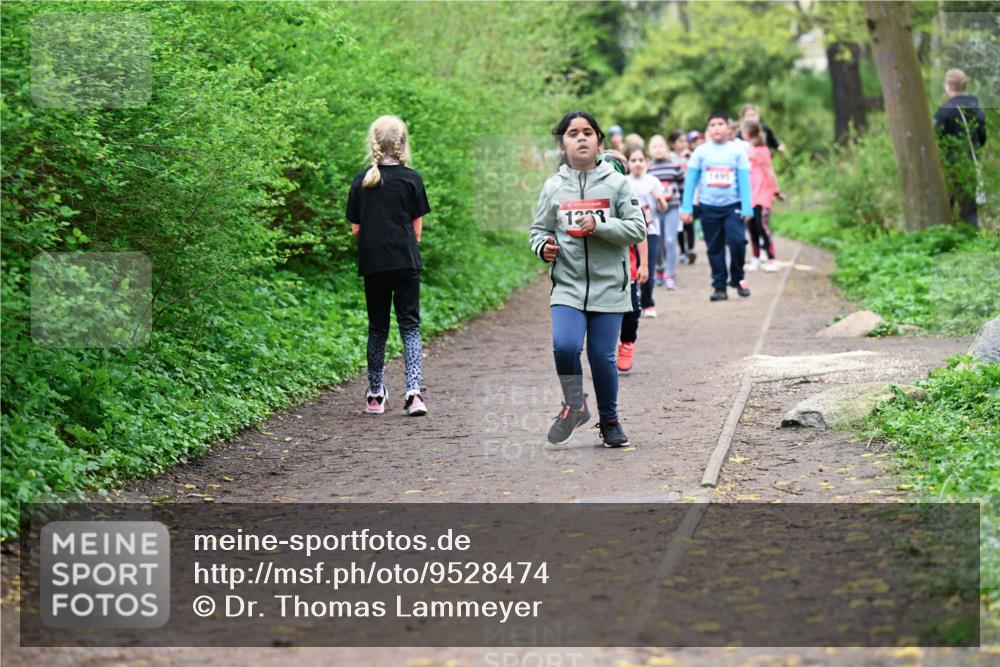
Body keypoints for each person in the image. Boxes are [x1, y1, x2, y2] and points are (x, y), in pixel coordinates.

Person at [529, 111, 646, 448]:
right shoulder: (553, 186)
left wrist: (602, 226)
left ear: (598, 141)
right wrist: (544, 247)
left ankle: (609, 421)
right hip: (567, 284)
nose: (581, 138)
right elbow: (539, 230)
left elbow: (638, 228)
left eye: (587, 132)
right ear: (562, 144)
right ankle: (576, 404)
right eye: (572, 133)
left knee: (601, 357)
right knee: (564, 345)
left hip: (610, 286)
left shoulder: (616, 183)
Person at [346, 115, 431, 416]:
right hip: (405, 262)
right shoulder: (412, 179)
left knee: (378, 329)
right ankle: (414, 394)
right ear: (403, 144)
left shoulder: (361, 180)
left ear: (373, 143)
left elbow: (356, 229)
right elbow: (417, 230)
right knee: (410, 327)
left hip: (374, 265)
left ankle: (374, 395)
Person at [680, 113, 753, 302]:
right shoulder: (701, 152)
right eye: (712, 124)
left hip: (733, 206)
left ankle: (737, 277)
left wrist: (747, 208)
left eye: (721, 124)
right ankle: (719, 286)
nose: (717, 128)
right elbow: (691, 182)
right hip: (708, 207)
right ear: (708, 130)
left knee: (738, 242)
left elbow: (744, 181)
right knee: (714, 247)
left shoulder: (737, 151)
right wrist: (686, 208)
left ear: (728, 128)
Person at [934, 68, 988, 227]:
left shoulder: (944, 111)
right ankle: (973, 240)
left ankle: (945, 239)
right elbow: (982, 135)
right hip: (971, 162)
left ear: (949, 85)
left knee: (945, 206)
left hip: (949, 165)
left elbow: (936, 138)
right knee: (970, 208)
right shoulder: (975, 106)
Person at [626, 145, 668, 317]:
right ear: (627, 163)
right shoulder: (623, 182)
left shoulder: (652, 181)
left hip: (650, 231)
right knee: (631, 268)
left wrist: (659, 200)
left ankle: (648, 302)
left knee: (647, 267)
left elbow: (664, 208)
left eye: (640, 160)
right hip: (629, 233)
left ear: (647, 162)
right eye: (633, 160)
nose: (637, 164)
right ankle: (632, 301)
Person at [743, 119, 784, 272]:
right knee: (752, 226)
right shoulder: (747, 151)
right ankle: (756, 257)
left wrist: (776, 190)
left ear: (747, 133)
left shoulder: (762, 150)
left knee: (762, 225)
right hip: (751, 193)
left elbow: (769, 170)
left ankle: (772, 258)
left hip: (763, 193)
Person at [647, 135, 684, 290]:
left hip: (672, 208)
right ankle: (659, 269)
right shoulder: (648, 169)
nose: (658, 149)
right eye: (654, 146)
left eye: (661, 145)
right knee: (659, 242)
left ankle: (670, 274)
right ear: (649, 150)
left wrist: (684, 206)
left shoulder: (675, 166)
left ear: (666, 148)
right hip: (655, 210)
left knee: (670, 240)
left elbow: (682, 185)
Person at [669, 130, 696, 266]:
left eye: (685, 141)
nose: (683, 144)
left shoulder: (690, 157)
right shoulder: (670, 157)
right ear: (672, 144)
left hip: (688, 193)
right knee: (680, 225)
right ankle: (683, 251)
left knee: (689, 222)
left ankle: (691, 249)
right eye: (680, 141)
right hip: (675, 195)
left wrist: (690, 158)